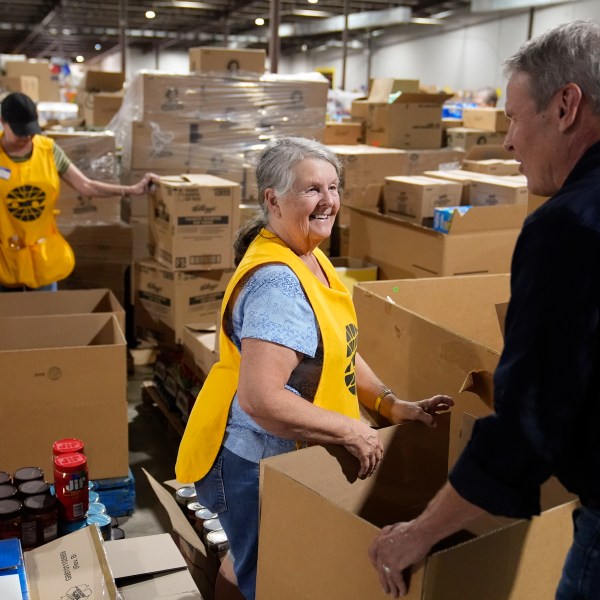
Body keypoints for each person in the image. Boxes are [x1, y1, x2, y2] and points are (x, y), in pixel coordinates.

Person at [368, 19, 600, 600]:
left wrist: (417, 534)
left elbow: (530, 422)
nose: (509, 142)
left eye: (515, 119)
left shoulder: (569, 225)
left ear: (566, 105)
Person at [175, 136, 454, 600]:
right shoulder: (278, 283)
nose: (328, 201)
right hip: (254, 463)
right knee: (268, 578)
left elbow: (335, 347)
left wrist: (388, 402)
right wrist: (351, 430)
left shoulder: (308, 255)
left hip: (275, 456)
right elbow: (262, 398)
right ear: (273, 199)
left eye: (333, 186)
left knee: (253, 562)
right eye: (311, 190)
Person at [0, 92, 157, 291]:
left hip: (41, 258)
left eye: (31, 131)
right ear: (3, 122)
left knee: (48, 318)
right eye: (20, 132)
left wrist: (131, 190)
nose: (27, 137)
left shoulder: (48, 150)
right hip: (4, 260)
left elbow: (86, 186)